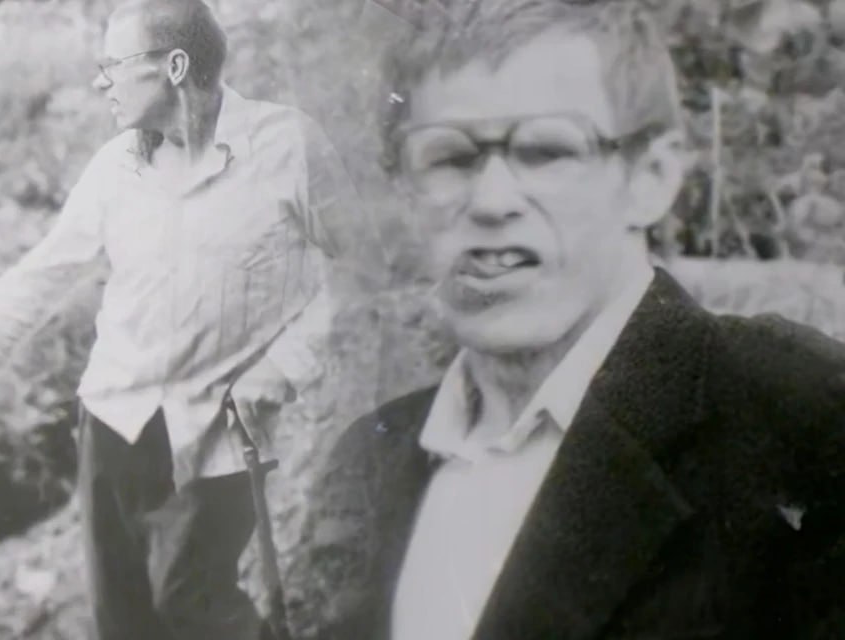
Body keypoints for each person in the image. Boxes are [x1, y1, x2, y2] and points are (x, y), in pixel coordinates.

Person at [304, 1, 845, 638]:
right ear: (403, 192)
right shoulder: (371, 459)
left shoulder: (801, 421)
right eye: (448, 158)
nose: (491, 201)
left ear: (650, 178)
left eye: (546, 151)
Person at [0, 0, 372, 638]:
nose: (100, 82)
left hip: (218, 433)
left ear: (175, 66)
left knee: (194, 608)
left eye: (112, 65)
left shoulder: (286, 147)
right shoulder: (115, 167)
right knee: (123, 625)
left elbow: (362, 272)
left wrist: (281, 369)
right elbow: (34, 282)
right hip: (111, 429)